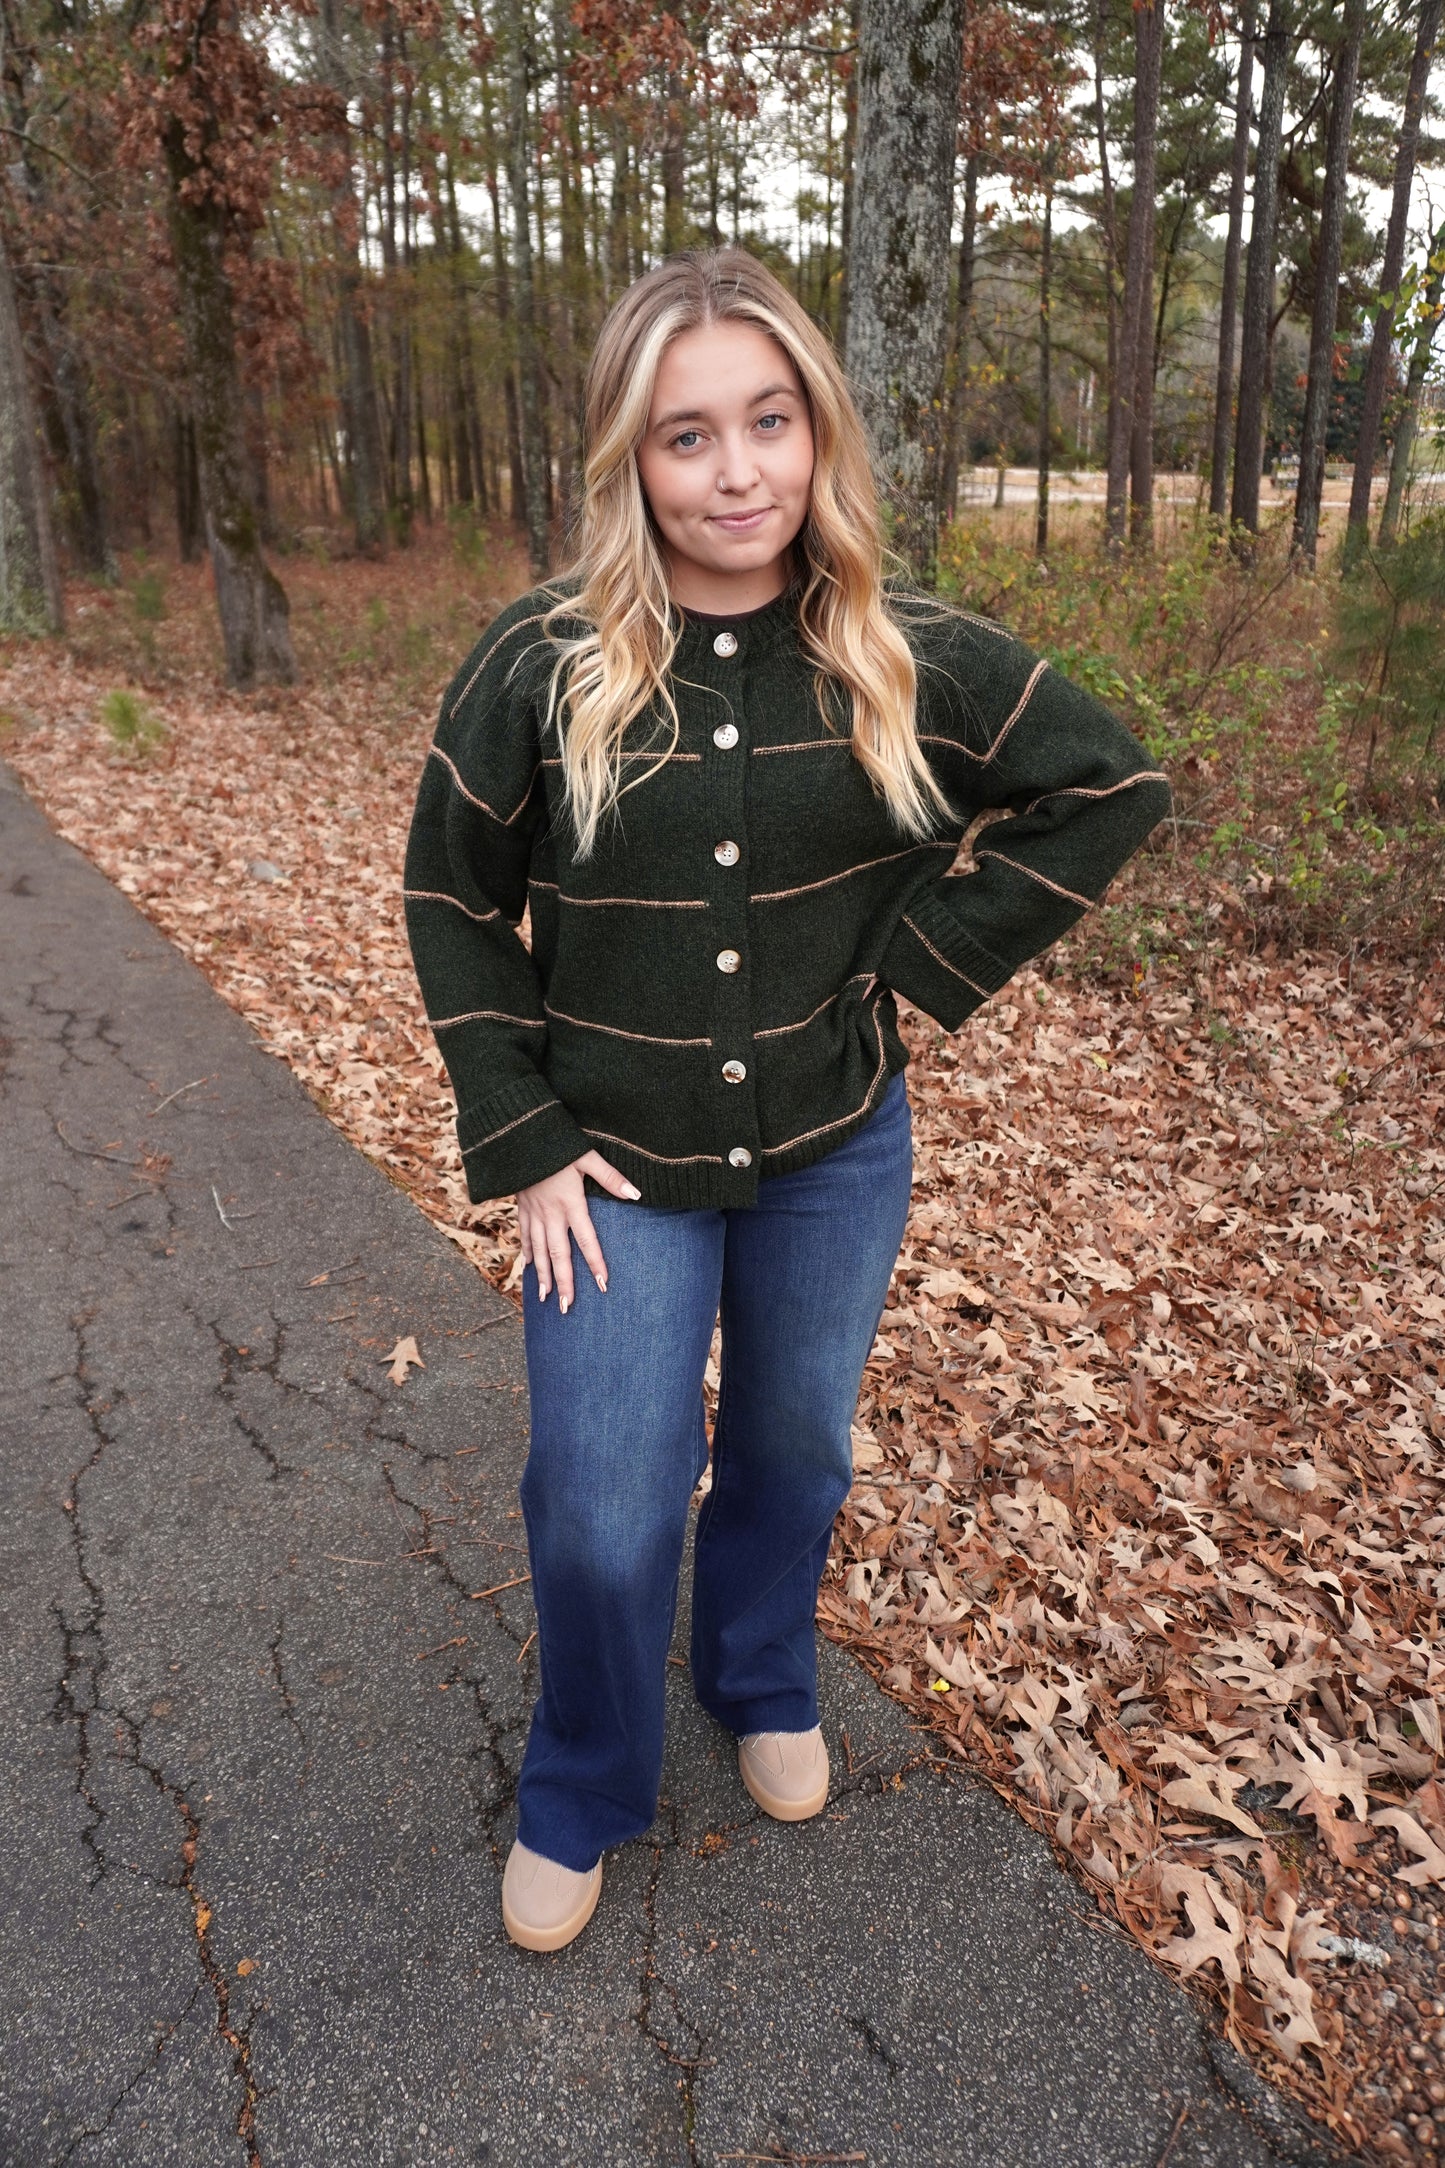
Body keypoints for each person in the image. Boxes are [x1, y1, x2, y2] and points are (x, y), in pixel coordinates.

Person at [403, 246, 1171, 1953]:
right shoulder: (539, 660)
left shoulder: (901, 651)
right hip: (610, 1166)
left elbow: (1110, 786)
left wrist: (916, 972)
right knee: (602, 1504)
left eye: (767, 420)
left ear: (817, 432)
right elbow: (451, 898)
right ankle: (585, 1780)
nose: (735, 469)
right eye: (687, 436)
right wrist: (519, 1136)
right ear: (629, 459)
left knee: (791, 1450)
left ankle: (757, 1678)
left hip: (834, 1148)